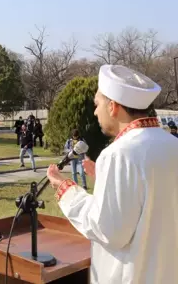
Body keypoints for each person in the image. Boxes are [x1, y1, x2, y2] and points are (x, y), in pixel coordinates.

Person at [47, 64, 178, 283]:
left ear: (113, 107)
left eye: (97, 104)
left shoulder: (118, 154)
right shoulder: (172, 144)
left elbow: (108, 230)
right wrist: (104, 181)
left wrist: (65, 189)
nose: (96, 111)